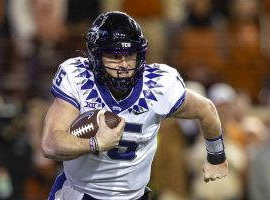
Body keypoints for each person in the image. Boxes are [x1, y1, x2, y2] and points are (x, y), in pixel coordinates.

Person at [41, 11, 228, 200]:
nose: (124, 65)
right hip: (80, 193)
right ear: (96, 56)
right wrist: (95, 143)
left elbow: (206, 109)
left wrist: (216, 157)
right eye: (115, 56)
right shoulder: (78, 78)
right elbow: (50, 144)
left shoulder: (158, 87)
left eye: (130, 55)